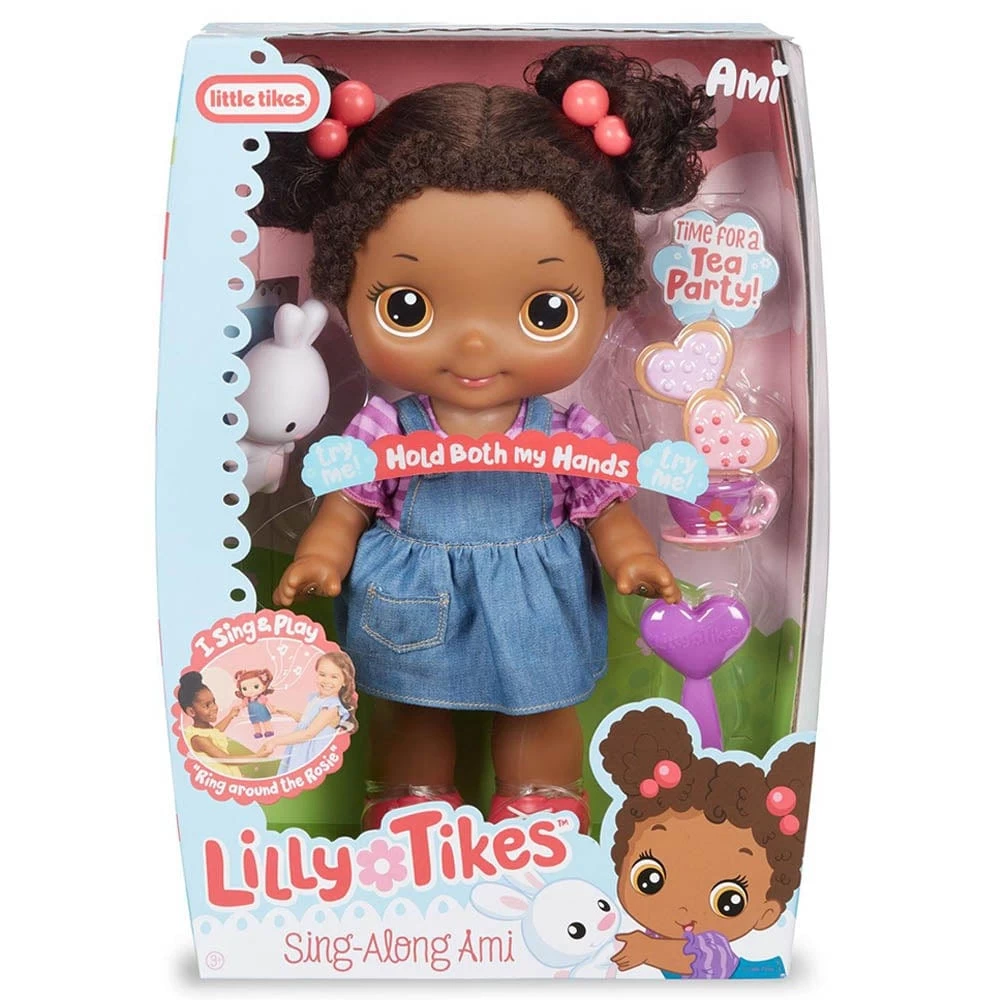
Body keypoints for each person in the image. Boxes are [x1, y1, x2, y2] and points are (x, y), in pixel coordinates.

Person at [255, 45, 716, 829]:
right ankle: (409, 810)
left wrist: (631, 557)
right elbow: (348, 502)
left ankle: (542, 811)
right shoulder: (386, 426)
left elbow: (602, 504)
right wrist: (322, 555)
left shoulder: (569, 431)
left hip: (537, 599)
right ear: (347, 292)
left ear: (607, 302)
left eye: (545, 311)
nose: (474, 346)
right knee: (411, 713)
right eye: (407, 307)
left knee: (540, 711)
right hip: (412, 597)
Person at [600, 705, 813, 978]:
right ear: (622, 861)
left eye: (729, 901)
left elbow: (693, 958)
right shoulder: (643, 926)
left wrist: (649, 951)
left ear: (767, 913)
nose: (682, 910)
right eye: (650, 878)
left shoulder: (713, 948)